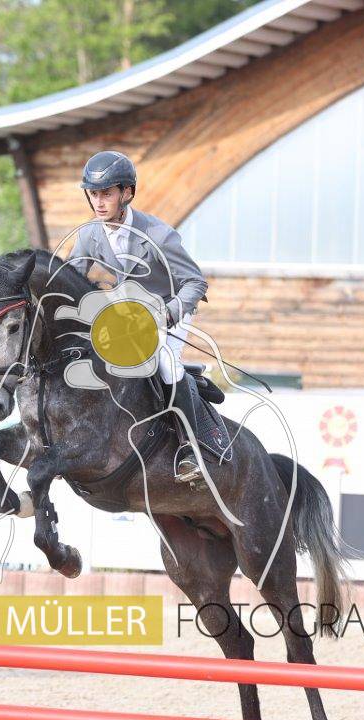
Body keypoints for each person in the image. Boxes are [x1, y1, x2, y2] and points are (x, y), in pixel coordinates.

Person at [66, 150, 211, 483]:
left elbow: (195, 282)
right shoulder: (89, 235)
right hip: (128, 313)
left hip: (170, 307)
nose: (99, 202)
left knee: (165, 363)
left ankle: (192, 449)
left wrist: (168, 313)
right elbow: (69, 278)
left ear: (127, 193)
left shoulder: (158, 234)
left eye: (106, 194)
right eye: (93, 194)